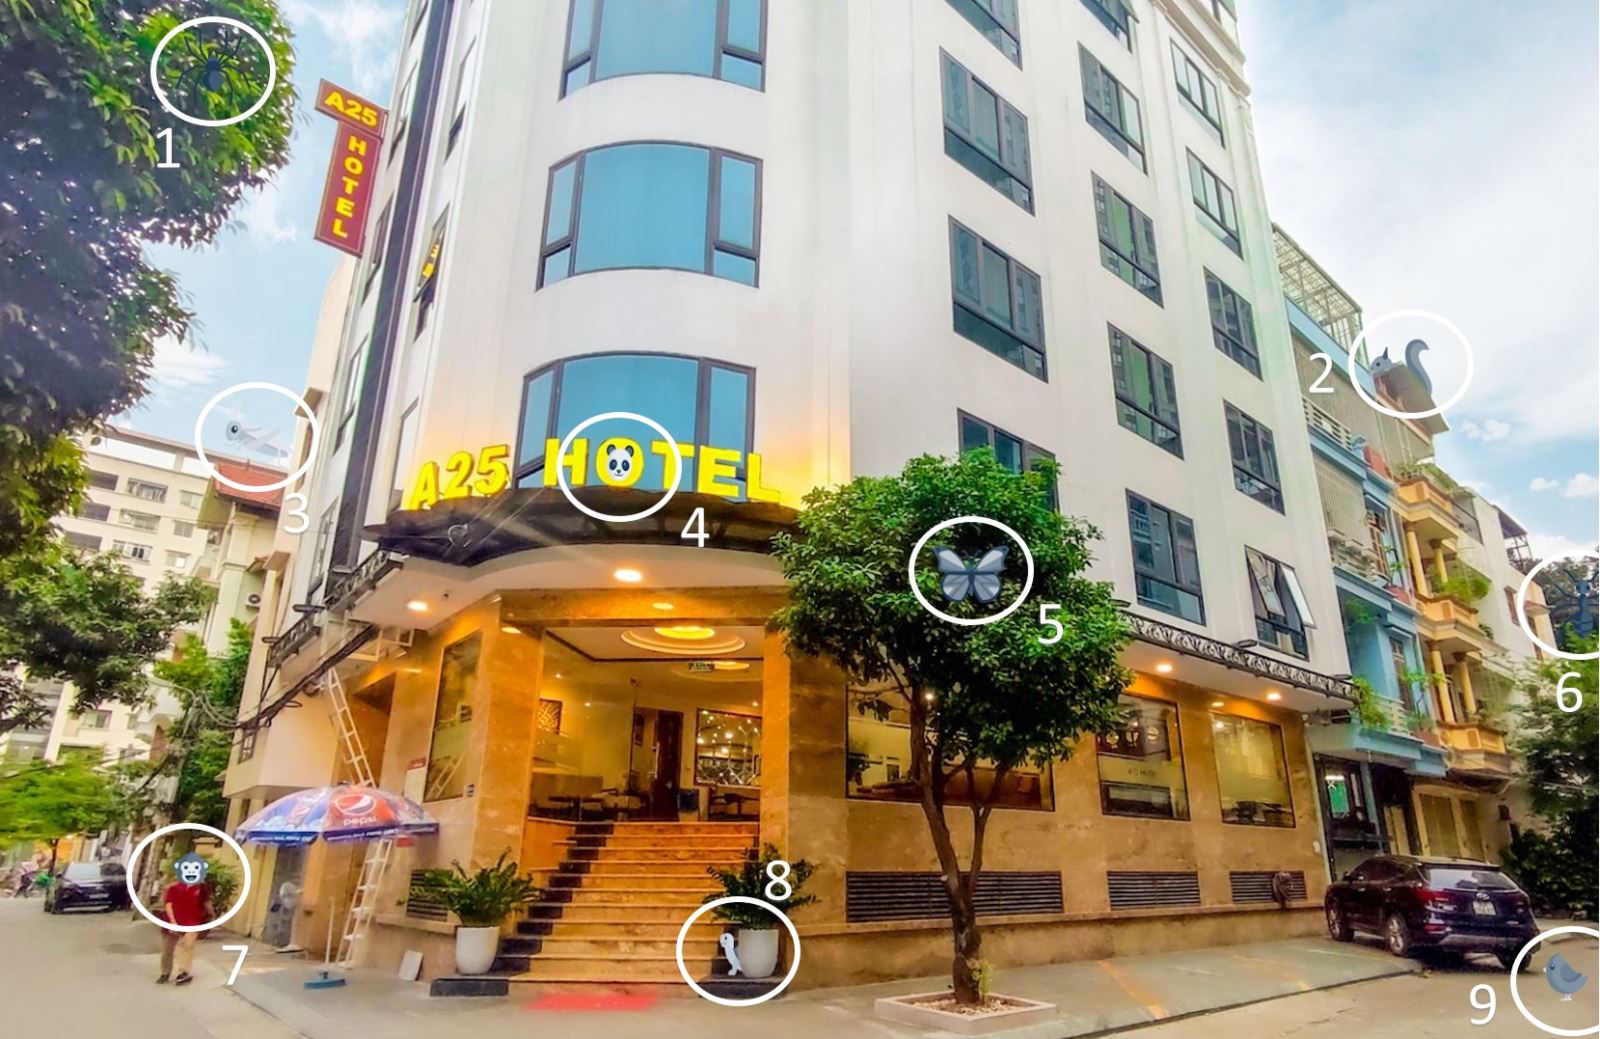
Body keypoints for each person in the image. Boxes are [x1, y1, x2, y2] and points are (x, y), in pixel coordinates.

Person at [158, 861, 213, 985]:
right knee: (167, 949)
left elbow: (206, 903)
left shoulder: (201, 888)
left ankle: (183, 972)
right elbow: (168, 905)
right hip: (172, 921)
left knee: (187, 945)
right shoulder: (173, 887)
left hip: (192, 921)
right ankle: (165, 973)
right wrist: (173, 923)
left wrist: (211, 915)